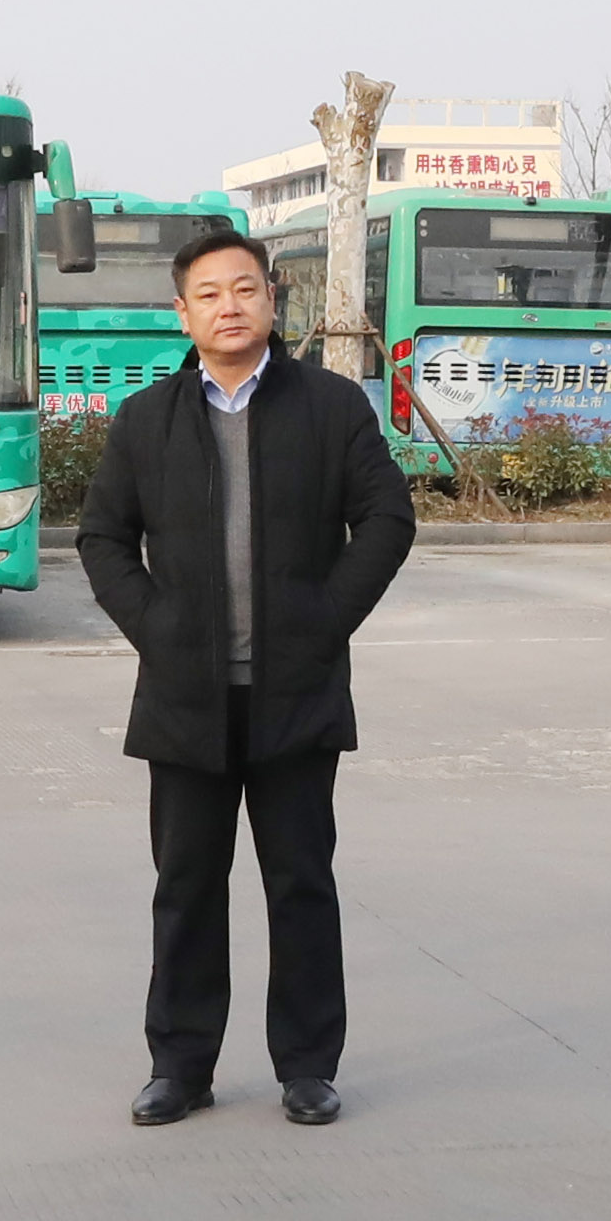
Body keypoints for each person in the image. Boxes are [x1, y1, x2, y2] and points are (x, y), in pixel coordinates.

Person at [75, 222, 418, 1126]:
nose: (229, 306)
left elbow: (387, 518)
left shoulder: (332, 407)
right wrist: (158, 630)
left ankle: (307, 1065)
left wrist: (322, 622)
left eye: (244, 289)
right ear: (182, 313)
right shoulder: (147, 419)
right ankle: (179, 1066)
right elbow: (102, 538)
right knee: (186, 887)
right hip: (185, 698)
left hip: (295, 695)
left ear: (272, 298)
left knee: (300, 883)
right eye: (209, 294)